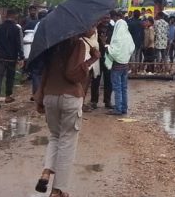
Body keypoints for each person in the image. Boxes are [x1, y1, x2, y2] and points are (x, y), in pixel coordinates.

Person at [33, 27, 100, 197]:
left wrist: (40, 97)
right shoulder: (78, 44)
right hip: (69, 97)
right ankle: (58, 190)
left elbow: (45, 73)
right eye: (91, 26)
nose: (93, 29)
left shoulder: (53, 45)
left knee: (55, 136)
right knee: (67, 142)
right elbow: (72, 74)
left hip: (50, 95)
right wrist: (92, 59)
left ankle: (46, 173)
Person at [0, 9, 24, 109]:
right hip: (11, 58)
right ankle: (8, 96)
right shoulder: (16, 29)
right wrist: (21, 57)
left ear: (5, 16)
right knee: (10, 77)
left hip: (0, 57)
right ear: (14, 16)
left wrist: (0, 49)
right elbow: (19, 45)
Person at [104, 13, 135, 116]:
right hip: (125, 65)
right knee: (124, 88)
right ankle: (124, 108)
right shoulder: (127, 36)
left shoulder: (117, 38)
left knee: (117, 87)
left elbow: (114, 52)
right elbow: (132, 48)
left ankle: (118, 108)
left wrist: (106, 45)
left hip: (117, 66)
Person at [90, 14, 115, 110]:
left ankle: (107, 101)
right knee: (96, 79)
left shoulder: (113, 29)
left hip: (109, 57)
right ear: (101, 18)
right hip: (97, 58)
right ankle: (94, 101)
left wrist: (106, 43)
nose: (106, 20)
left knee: (109, 80)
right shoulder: (95, 28)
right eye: (104, 18)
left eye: (108, 18)